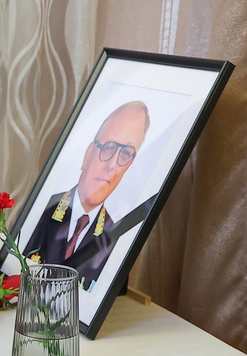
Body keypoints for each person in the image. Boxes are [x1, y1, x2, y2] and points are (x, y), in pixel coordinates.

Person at [22, 101, 158, 288]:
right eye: (109, 147)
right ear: (88, 155)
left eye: (126, 153)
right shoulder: (40, 209)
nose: (112, 164)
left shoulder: (116, 239)